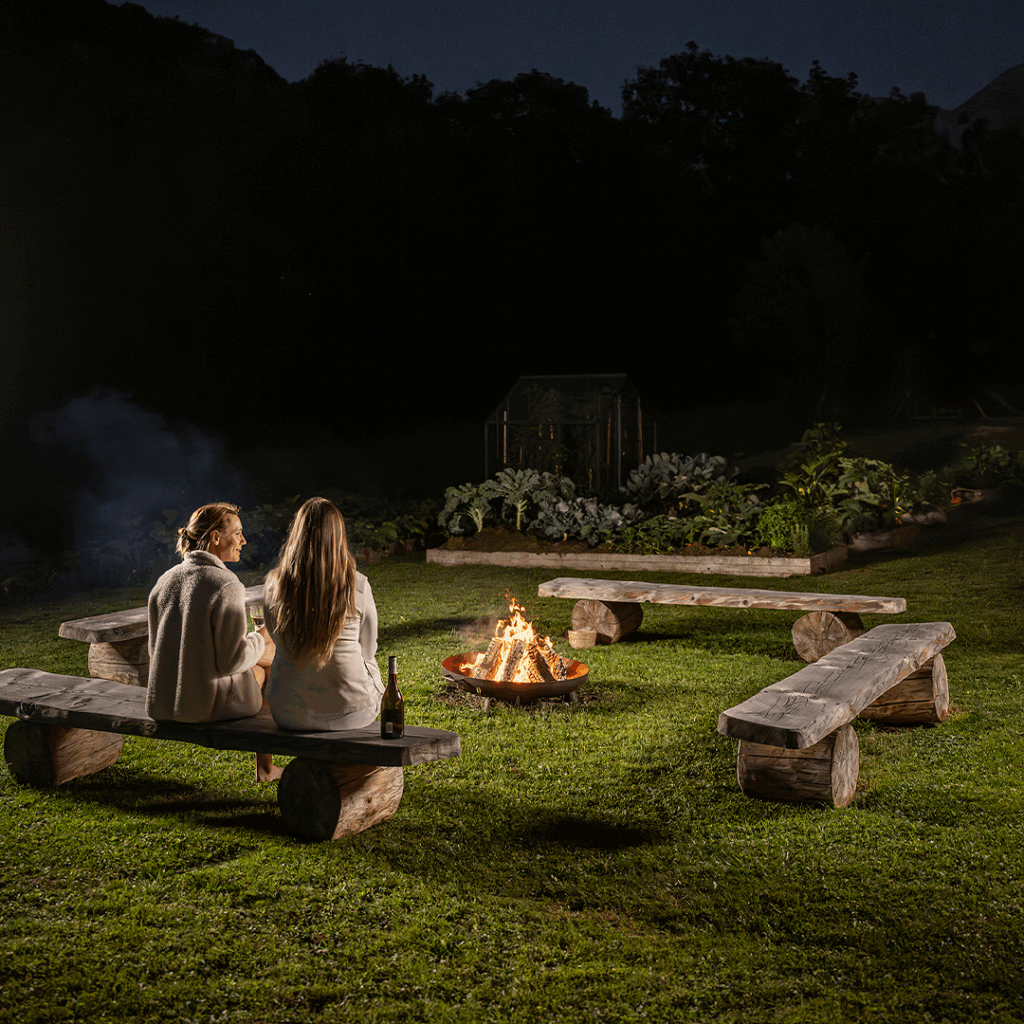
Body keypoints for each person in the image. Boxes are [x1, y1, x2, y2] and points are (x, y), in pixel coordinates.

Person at [146, 502, 280, 781]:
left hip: (164, 703)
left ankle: (266, 769)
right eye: (238, 533)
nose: (243, 541)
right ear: (216, 537)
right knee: (269, 663)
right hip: (205, 708)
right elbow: (232, 661)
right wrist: (261, 637)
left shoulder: (164, 581)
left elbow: (154, 651)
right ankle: (266, 768)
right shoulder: (226, 584)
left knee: (259, 657)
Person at [262, 496, 383, 731]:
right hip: (349, 713)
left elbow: (278, 642)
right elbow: (369, 650)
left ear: (297, 536)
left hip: (287, 712)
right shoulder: (358, 585)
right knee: (370, 663)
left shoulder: (273, 585)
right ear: (339, 538)